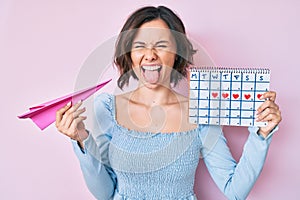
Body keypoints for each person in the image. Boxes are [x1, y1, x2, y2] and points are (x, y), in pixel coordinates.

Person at [55, 6, 282, 200]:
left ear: (177, 53)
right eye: (140, 45)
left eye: (161, 45)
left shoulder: (200, 112)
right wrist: (82, 140)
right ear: (129, 54)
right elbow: (105, 193)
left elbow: (235, 191)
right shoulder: (107, 108)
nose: (150, 55)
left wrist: (261, 135)